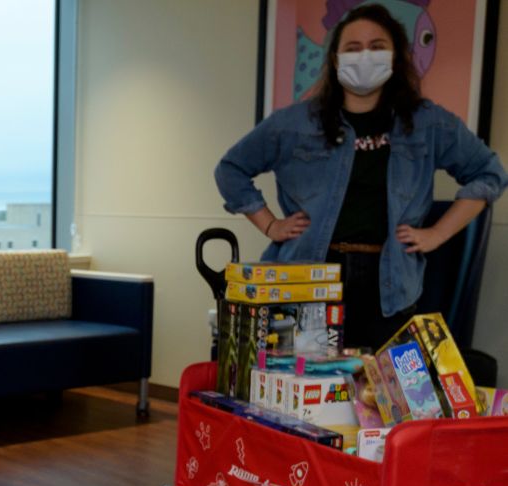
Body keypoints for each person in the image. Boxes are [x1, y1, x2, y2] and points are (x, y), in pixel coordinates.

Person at [215, 4, 507, 350]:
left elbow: (489, 174)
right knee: (303, 393)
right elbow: (230, 169)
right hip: (306, 278)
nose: (365, 56)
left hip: (390, 285)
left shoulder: (429, 123)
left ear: (396, 56)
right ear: (336, 59)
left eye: (377, 46)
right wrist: (269, 224)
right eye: (353, 49)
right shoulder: (293, 123)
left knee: (380, 396)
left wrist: (438, 233)